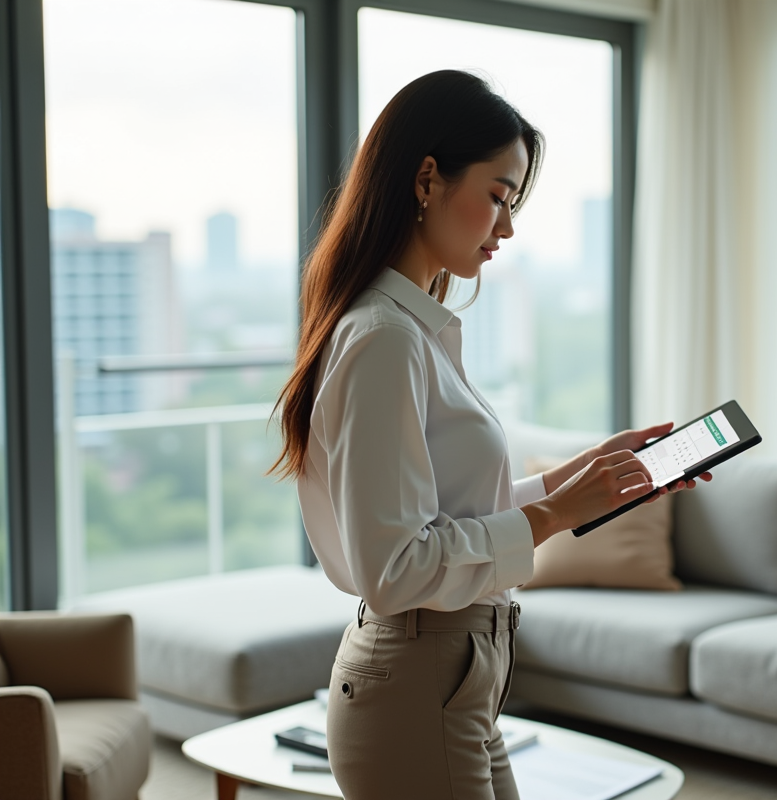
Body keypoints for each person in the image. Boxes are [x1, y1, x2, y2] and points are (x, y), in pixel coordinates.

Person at [271, 70, 709, 800]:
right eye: (499, 197)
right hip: (417, 680)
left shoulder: (413, 331)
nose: (506, 228)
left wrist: (580, 477)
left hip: (452, 679)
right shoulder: (385, 341)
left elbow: (448, 510)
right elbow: (398, 569)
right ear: (426, 180)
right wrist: (558, 515)